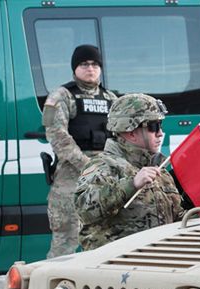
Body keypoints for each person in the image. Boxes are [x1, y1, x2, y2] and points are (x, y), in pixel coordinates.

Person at [74, 94, 184, 251]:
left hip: (159, 258)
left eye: (160, 125)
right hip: (116, 261)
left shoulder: (159, 170)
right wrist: (131, 184)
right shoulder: (103, 166)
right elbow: (84, 210)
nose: (160, 133)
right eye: (153, 126)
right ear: (131, 133)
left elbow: (177, 217)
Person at [43, 44, 118, 258]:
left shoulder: (111, 99)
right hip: (71, 177)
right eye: (84, 64)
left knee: (106, 239)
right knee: (65, 240)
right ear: (75, 68)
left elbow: (122, 137)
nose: (90, 69)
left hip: (105, 175)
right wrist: (87, 165)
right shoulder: (60, 97)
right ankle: (55, 278)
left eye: (95, 64)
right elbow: (57, 136)